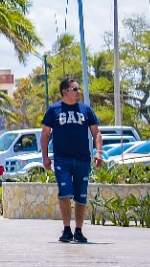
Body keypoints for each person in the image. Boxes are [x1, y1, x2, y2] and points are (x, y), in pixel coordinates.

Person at [41, 77, 104, 243]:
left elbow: (96, 133)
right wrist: (45, 157)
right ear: (65, 91)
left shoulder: (86, 110)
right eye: (75, 89)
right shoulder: (53, 110)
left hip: (83, 159)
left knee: (81, 196)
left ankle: (79, 230)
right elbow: (45, 134)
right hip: (62, 160)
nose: (78, 92)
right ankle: (67, 229)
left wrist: (99, 152)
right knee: (65, 193)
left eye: (78, 89)